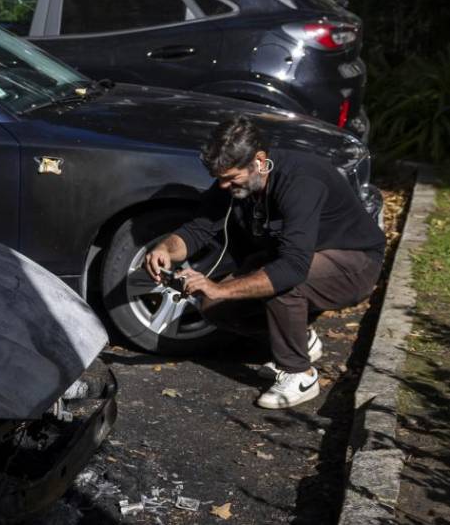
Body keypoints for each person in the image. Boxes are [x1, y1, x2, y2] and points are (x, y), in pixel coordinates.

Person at [144, 116, 384, 409]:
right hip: (296, 257)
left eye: (231, 178)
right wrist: (166, 249)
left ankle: (300, 373)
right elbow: (199, 228)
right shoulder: (232, 183)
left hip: (354, 262)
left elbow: (292, 269)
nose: (223, 186)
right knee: (214, 308)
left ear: (259, 161)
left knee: (281, 284)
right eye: (219, 179)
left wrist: (220, 288)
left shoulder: (300, 182)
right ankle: (301, 337)